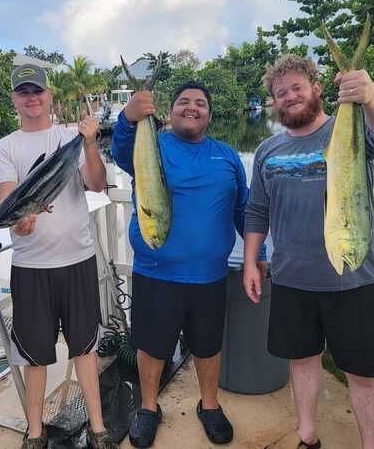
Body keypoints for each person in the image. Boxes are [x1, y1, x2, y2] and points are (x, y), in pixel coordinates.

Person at [243, 54, 374, 449]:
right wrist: (251, 260)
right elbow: (257, 209)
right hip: (292, 279)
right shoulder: (267, 149)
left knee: (363, 376)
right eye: (281, 93)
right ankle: (307, 436)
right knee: (301, 362)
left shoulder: (347, 130)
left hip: (354, 280)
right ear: (274, 102)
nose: (289, 97)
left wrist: (368, 94)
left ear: (317, 89)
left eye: (297, 88)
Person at [111, 81, 266, 447]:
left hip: (210, 275)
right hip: (155, 272)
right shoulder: (152, 145)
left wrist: (256, 257)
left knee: (208, 346)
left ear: (210, 114)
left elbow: (244, 210)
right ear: (170, 111)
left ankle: (209, 406)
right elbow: (118, 152)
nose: (191, 107)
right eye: (183, 102)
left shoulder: (227, 156)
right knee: (150, 346)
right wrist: (127, 117)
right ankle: (148, 408)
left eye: (200, 103)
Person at [0, 63, 117, 449]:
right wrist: (21, 224)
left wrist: (91, 142)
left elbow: (96, 184)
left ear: (49, 97)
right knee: (35, 355)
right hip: (31, 267)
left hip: (78, 259)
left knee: (85, 348)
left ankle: (97, 427)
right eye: (24, 92)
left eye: (37, 91)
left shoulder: (70, 137)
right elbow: (10, 205)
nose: (32, 98)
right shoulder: (5, 147)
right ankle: (34, 432)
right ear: (14, 99)